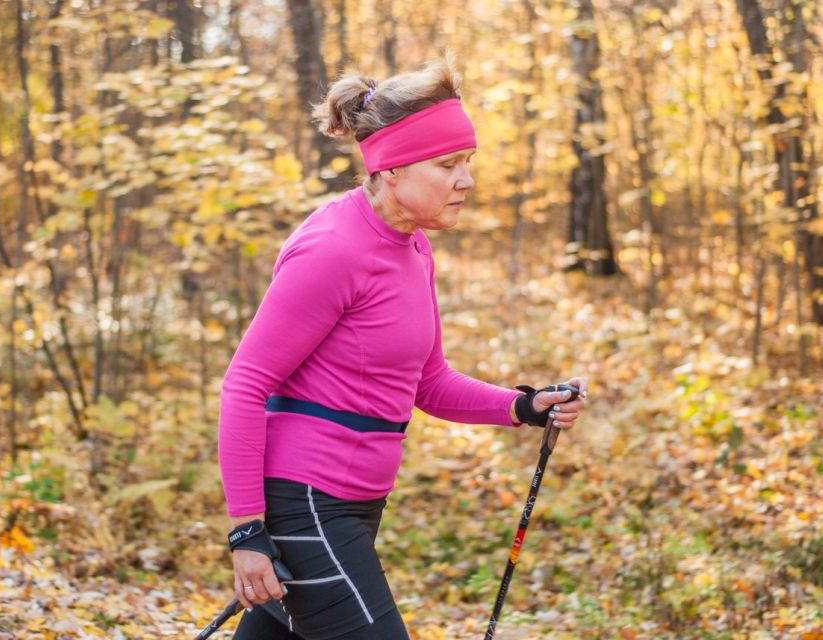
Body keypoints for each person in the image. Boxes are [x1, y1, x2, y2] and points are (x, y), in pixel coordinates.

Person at [218, 55, 587, 640]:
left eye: (467, 163)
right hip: (308, 503)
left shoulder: (413, 248)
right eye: (448, 165)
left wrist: (523, 405)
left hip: (356, 503)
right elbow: (245, 383)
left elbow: (428, 382)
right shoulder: (332, 249)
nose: (466, 180)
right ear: (391, 170)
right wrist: (246, 532)